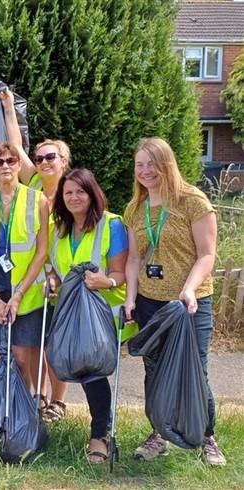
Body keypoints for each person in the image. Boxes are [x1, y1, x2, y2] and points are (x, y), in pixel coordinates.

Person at [124, 137, 226, 466]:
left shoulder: (193, 201)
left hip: (189, 304)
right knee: (154, 372)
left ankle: (206, 437)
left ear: (167, 163)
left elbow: (207, 254)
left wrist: (190, 289)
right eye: (139, 165)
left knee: (195, 372)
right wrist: (129, 299)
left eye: (151, 163)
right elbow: (134, 260)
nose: (145, 171)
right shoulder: (135, 209)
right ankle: (160, 434)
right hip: (150, 303)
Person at [47, 168, 129, 464]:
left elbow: (120, 273)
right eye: (68, 192)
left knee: (92, 370)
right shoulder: (57, 227)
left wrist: (105, 281)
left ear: (92, 193)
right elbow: (54, 265)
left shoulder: (111, 225)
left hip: (102, 312)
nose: (73, 197)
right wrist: (53, 280)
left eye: (80, 191)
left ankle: (99, 435)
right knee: (78, 366)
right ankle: (99, 427)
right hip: (70, 312)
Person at [0, 89, 70, 422]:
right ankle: (31, 399)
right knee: (28, 347)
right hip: (36, 277)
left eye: (50, 157)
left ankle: (57, 402)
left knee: (54, 349)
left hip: (66, 279)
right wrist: (9, 109)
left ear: (64, 161)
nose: (43, 162)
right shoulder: (35, 186)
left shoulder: (75, 192)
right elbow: (15, 147)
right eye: (39, 158)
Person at [0, 142, 49, 392]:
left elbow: (41, 252)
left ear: (18, 165)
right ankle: (8, 407)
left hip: (25, 289)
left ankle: (26, 405)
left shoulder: (39, 200)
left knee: (23, 358)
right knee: (3, 357)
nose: (5, 166)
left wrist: (18, 295)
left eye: (11, 161)